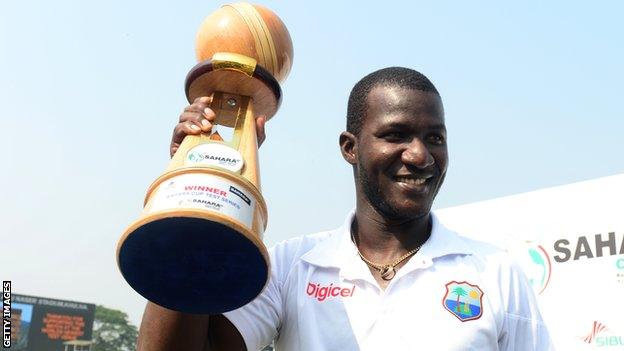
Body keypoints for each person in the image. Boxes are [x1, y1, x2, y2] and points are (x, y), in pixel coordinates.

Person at [137, 67, 553, 350]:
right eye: (397, 135)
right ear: (350, 148)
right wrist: (194, 194)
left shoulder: (496, 273)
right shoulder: (291, 265)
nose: (421, 155)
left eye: (435, 138)